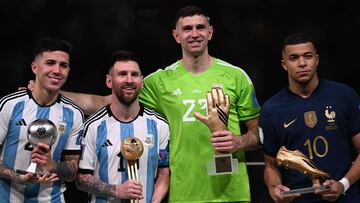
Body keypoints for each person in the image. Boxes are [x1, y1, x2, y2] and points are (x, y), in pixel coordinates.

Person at [32, 5, 261, 202]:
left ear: (210, 33)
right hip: (184, 193)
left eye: (200, 28)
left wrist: (238, 141)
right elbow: (105, 102)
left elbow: (258, 134)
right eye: (187, 29)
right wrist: (53, 91)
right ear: (176, 35)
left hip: (233, 190)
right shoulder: (159, 82)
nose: (194, 34)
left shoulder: (236, 76)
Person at [260, 32, 360, 203]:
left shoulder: (344, 96)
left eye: (308, 56)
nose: (302, 63)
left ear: (317, 59)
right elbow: (270, 166)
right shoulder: (271, 110)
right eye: (294, 58)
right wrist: (273, 188)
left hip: (345, 198)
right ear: (284, 64)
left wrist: (343, 185)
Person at [75, 50, 170, 203]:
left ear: (142, 81)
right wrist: (116, 190)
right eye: (122, 74)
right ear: (109, 81)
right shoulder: (93, 126)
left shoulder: (159, 125)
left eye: (134, 74)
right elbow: (81, 179)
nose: (129, 80)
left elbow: (164, 173)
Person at [0, 38, 84, 202]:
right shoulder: (9, 105)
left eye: (63, 65)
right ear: (34, 67)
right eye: (50, 63)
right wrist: (15, 175)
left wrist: (52, 164)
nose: (57, 70)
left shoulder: (74, 114)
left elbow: (72, 172)